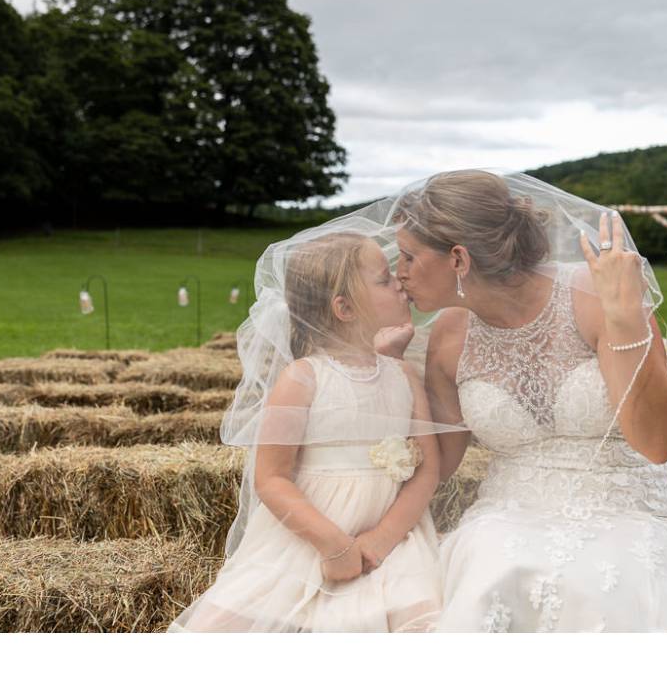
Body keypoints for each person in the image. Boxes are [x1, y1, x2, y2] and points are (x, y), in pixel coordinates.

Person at [378, 169, 667, 632]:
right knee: (491, 573)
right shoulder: (448, 336)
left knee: (613, 585)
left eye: (408, 257)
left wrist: (624, 319)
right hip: (507, 513)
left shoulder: (594, 296)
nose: (398, 273)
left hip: (628, 508)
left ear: (458, 259)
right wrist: (386, 373)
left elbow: (658, 443)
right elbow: (436, 466)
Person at [167, 228, 454, 632]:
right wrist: (333, 544)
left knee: (418, 615)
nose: (400, 283)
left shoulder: (403, 376)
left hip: (394, 542)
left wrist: (384, 536)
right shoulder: (302, 379)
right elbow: (271, 477)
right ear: (345, 308)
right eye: (383, 279)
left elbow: (428, 468)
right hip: (309, 538)